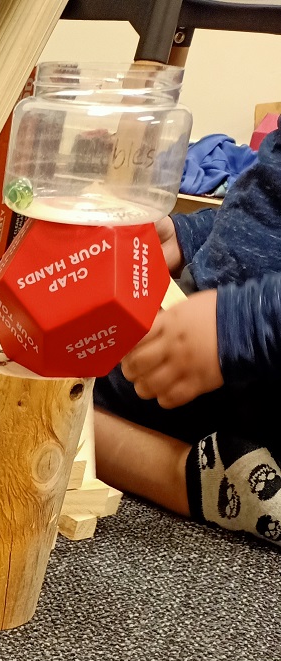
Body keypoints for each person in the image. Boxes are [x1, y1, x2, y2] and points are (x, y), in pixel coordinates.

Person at [94, 115, 281, 548]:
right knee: (11, 349)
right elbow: (267, 200)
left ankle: (223, 481)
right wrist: (188, 235)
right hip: (226, 325)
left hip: (249, 352)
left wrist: (240, 324)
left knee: (33, 376)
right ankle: (228, 472)